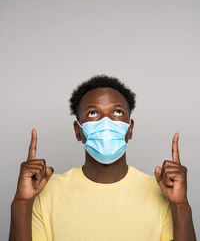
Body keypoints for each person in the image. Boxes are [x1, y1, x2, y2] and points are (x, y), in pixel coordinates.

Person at [9, 75, 196, 241]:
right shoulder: (46, 193)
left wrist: (180, 205)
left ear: (130, 129)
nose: (106, 122)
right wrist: (22, 203)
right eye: (93, 113)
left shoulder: (162, 192)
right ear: (78, 130)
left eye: (117, 112)